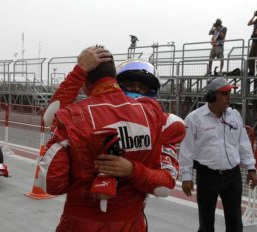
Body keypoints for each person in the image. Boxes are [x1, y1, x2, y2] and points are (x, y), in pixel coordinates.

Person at [37, 46, 185, 232]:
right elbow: (163, 186)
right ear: (116, 82)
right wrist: (135, 170)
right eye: (130, 86)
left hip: (81, 223)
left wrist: (131, 169)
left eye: (143, 88)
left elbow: (51, 183)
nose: (137, 92)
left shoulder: (71, 116)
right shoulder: (159, 119)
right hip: (131, 223)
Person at [179, 77, 257, 232]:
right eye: (224, 94)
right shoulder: (194, 118)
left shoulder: (234, 116)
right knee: (206, 223)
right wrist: (186, 176)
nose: (229, 97)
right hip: (207, 176)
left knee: (235, 222)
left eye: (229, 93)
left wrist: (251, 168)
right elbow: (186, 149)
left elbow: (243, 143)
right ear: (211, 96)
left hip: (232, 176)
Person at [247, 11, 257, 76]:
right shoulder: (256, 20)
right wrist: (254, 16)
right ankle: (251, 72)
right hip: (254, 40)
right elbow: (249, 23)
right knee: (251, 56)